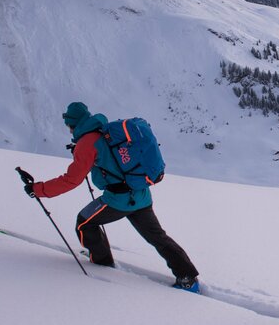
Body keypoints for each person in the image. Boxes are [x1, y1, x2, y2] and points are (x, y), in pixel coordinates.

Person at [23, 102, 200, 292]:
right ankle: (188, 277)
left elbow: (71, 180)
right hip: (141, 195)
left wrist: (38, 189)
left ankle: (102, 263)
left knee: (84, 223)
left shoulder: (86, 143)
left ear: (72, 124)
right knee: (157, 237)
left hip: (118, 200)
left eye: (68, 125)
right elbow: (110, 158)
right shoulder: (105, 131)